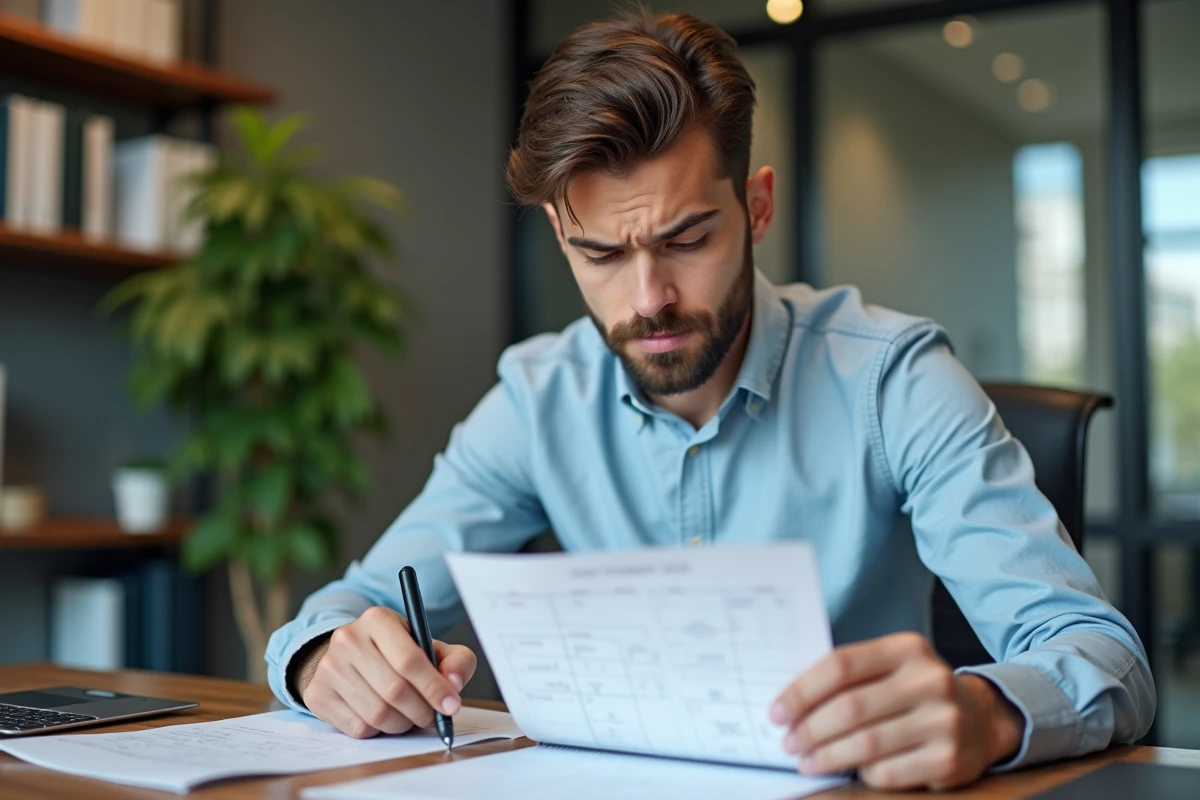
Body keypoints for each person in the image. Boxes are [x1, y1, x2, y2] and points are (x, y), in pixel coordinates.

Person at [265, 9, 1155, 790]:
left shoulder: (895, 380)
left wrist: (987, 712)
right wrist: (323, 661)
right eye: (601, 255)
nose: (648, 299)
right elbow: (355, 603)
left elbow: (1104, 657)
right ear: (561, 237)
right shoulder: (538, 398)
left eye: (687, 239)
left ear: (756, 208)